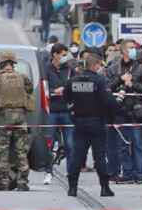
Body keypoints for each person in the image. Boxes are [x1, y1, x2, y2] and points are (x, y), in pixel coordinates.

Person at [63, 54, 116, 197]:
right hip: (96, 122)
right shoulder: (98, 80)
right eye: (98, 65)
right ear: (93, 66)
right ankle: (104, 187)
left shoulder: (73, 81)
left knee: (77, 156)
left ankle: (72, 187)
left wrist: (72, 112)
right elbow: (107, 101)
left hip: (79, 122)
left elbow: (65, 97)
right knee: (99, 156)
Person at [0, 49, 35, 191]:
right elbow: (29, 90)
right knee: (21, 151)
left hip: (4, 119)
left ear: (0, 63)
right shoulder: (22, 77)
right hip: (20, 119)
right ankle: (22, 182)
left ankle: (3, 182)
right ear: (13, 63)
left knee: (3, 151)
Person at [106, 42, 142, 184]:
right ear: (124, 50)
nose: (134, 51)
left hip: (136, 110)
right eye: (131, 48)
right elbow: (107, 87)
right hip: (119, 110)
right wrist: (120, 80)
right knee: (122, 144)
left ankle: (140, 174)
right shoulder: (113, 68)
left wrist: (133, 86)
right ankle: (127, 173)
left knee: (138, 143)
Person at [43, 42, 73, 185]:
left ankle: (71, 172)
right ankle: (48, 171)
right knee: (50, 142)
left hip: (67, 111)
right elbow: (43, 90)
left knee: (70, 144)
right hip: (52, 111)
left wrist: (66, 91)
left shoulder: (68, 70)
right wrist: (55, 92)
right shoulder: (46, 70)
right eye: (63, 55)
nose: (65, 58)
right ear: (55, 55)